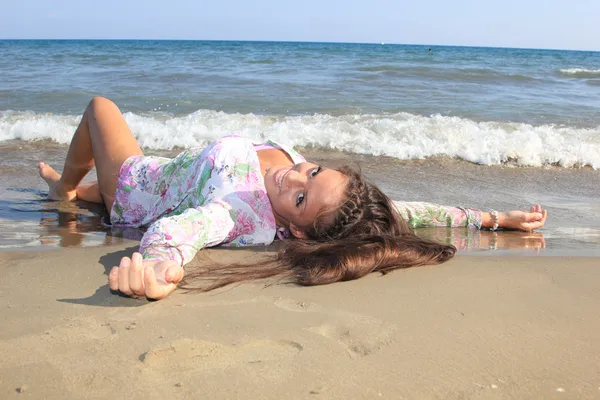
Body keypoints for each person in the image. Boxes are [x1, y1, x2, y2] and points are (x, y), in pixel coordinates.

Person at [39, 97, 548, 300]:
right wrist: (489, 218)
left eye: (301, 198)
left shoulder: (241, 214)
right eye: (314, 170)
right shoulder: (304, 181)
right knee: (90, 197)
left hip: (136, 185)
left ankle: (65, 189)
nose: (291, 176)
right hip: (169, 180)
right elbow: (407, 212)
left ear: (299, 230)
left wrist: (157, 270)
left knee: (99, 108)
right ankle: (77, 196)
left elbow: (179, 231)